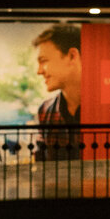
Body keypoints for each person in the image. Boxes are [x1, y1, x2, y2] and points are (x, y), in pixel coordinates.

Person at [32, 23, 82, 158]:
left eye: (44, 61)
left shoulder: (103, 109)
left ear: (72, 56)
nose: (39, 71)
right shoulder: (45, 110)